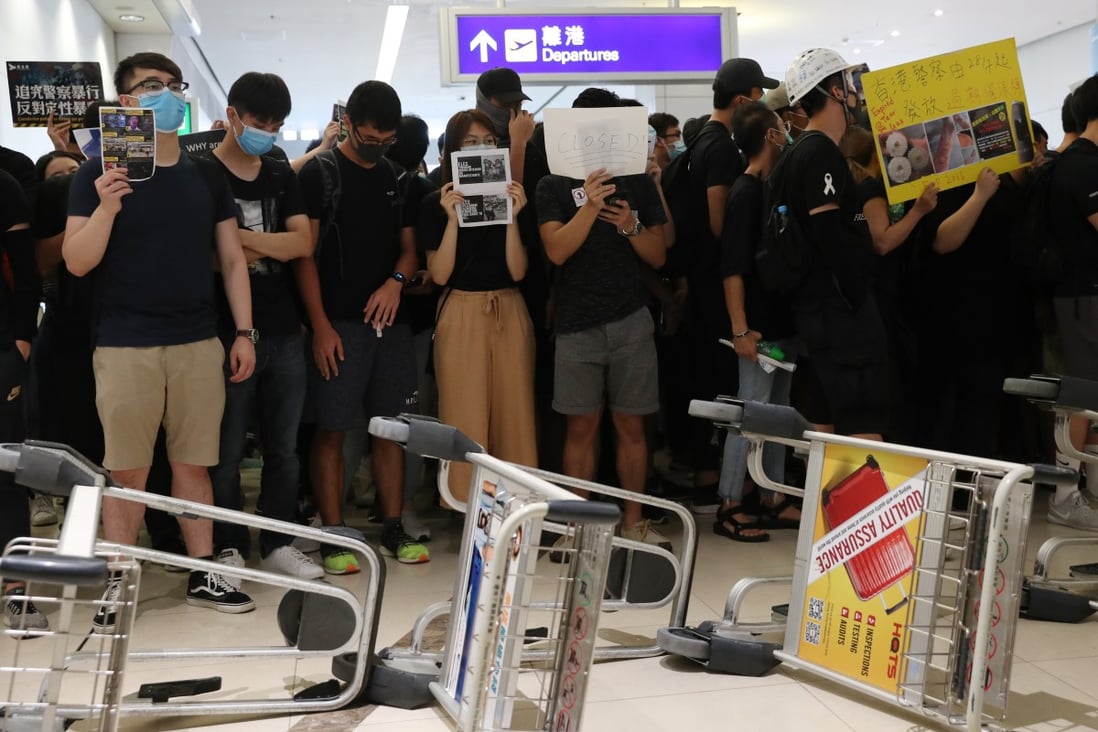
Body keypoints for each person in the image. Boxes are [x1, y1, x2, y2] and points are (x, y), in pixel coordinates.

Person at [64, 51, 257, 630]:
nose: (166, 94)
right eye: (151, 86)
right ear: (125, 101)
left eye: (173, 85)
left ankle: (203, 570)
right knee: (126, 471)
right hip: (124, 342)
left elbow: (231, 258)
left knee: (194, 465)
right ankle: (118, 578)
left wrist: (243, 332)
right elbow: (76, 262)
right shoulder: (93, 173)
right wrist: (107, 203)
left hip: (199, 339)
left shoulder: (205, 175)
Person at [295, 80, 428, 569]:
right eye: (369, 139)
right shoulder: (320, 174)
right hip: (338, 325)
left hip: (390, 324)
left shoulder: (399, 179)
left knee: (391, 429)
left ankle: (392, 525)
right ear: (348, 124)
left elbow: (410, 249)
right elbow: (304, 257)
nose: (377, 148)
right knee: (331, 429)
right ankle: (333, 533)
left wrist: (396, 282)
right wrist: (321, 326)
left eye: (386, 140)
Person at [537, 88, 669, 547]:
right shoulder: (552, 184)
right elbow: (556, 251)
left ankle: (634, 521)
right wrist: (590, 206)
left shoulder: (637, 180)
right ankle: (579, 527)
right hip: (576, 324)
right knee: (581, 426)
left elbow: (658, 255)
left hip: (632, 319)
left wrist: (629, 224)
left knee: (633, 426)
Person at [205, 72, 321, 579]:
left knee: (284, 448)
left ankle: (277, 540)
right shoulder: (202, 174)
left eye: (276, 125)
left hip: (282, 327)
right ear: (232, 116)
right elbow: (206, 258)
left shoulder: (279, 172)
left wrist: (241, 242)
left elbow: (302, 245)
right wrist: (254, 244)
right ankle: (227, 544)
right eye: (259, 123)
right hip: (222, 331)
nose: (268, 132)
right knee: (224, 452)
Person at [417, 109, 536, 505]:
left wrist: (513, 218)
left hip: (509, 307)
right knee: (463, 411)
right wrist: (451, 218)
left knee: (515, 412)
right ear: (453, 149)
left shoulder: (513, 194)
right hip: (461, 310)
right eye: (470, 142)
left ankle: (517, 505)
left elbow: (518, 271)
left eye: (488, 141)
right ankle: (465, 505)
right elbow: (440, 273)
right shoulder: (435, 201)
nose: (481, 148)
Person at [683, 58, 779, 512]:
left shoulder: (702, 140)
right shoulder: (721, 149)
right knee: (734, 393)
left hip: (702, 282)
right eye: (762, 98)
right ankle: (728, 491)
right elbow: (722, 223)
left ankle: (722, 481)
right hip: (720, 285)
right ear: (744, 101)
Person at [780, 48, 890, 440]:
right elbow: (828, 234)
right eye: (846, 81)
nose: (854, 89)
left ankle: (825, 502)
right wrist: (856, 293)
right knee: (862, 416)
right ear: (833, 91)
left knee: (825, 415)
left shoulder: (801, 150)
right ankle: (867, 503)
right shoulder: (820, 152)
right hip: (839, 312)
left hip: (821, 308)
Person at [715, 102, 796, 542]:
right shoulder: (745, 192)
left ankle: (771, 496)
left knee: (778, 414)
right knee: (752, 413)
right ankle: (730, 502)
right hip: (758, 331)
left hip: (780, 328)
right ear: (770, 136)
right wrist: (740, 329)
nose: (787, 133)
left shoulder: (769, 187)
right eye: (782, 127)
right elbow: (733, 268)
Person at [1045, 72, 1098, 529]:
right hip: (1083, 296)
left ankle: (1081, 489)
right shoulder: (1083, 164)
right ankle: (1066, 493)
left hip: (1085, 295)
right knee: (1081, 394)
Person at [0, 168, 45, 632]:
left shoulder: (4, 184)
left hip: (1, 351)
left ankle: (18, 587)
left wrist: (21, 341)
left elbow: (25, 271)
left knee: (6, 470)